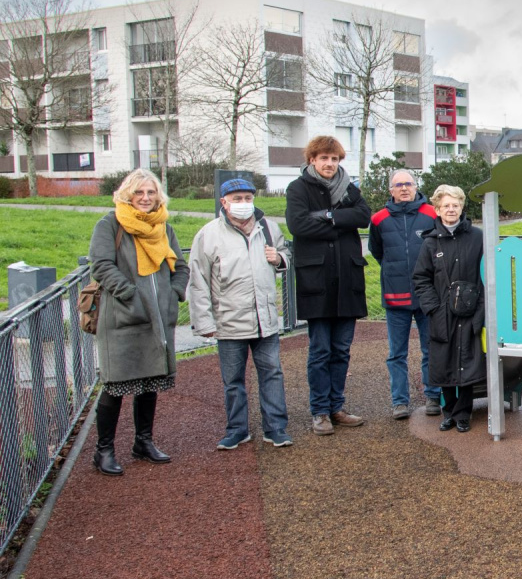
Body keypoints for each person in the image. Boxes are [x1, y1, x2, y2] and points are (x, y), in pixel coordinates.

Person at [88, 169, 189, 476]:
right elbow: (101, 265)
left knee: (150, 378)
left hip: (158, 315)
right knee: (116, 381)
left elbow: (179, 266)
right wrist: (130, 296)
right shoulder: (110, 224)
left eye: (151, 192)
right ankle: (103, 449)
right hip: (122, 315)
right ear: (127, 194)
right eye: (139, 193)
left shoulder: (163, 226)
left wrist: (174, 293)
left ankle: (143, 441)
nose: (146, 198)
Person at [187, 178, 292, 449]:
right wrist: (204, 321)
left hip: (264, 319)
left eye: (247, 198)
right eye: (237, 199)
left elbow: (284, 255)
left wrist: (280, 259)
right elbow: (198, 280)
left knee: (272, 373)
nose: (244, 204)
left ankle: (276, 427)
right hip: (229, 321)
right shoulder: (208, 235)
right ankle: (237, 429)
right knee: (233, 380)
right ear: (224, 202)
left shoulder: (268, 227)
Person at [285, 136, 372, 436]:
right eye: (324, 158)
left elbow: (363, 216)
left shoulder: (349, 187)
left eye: (334, 159)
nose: (329, 164)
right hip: (317, 281)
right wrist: (340, 224)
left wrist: (328, 216)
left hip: (347, 281)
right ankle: (320, 410)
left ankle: (337, 406)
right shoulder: (298, 188)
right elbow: (298, 225)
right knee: (320, 350)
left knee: (342, 350)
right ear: (312, 159)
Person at [412, 185, 486, 433]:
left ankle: (463, 413)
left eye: (455, 205)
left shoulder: (477, 237)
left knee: (467, 359)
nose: (451, 209)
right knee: (443, 360)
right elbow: (421, 278)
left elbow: (487, 273)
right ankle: (449, 411)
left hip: (470, 310)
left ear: (462, 206)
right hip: (442, 312)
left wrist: (481, 305)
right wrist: (432, 308)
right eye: (446, 205)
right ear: (437, 209)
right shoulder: (431, 242)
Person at [370, 169, 443, 420]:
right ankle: (399, 402)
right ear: (391, 190)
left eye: (408, 184)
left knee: (430, 348)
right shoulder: (379, 219)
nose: (404, 188)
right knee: (396, 354)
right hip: (395, 296)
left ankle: (433, 396)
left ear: (416, 187)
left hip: (426, 296)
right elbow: (377, 252)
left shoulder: (431, 214)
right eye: (398, 184)